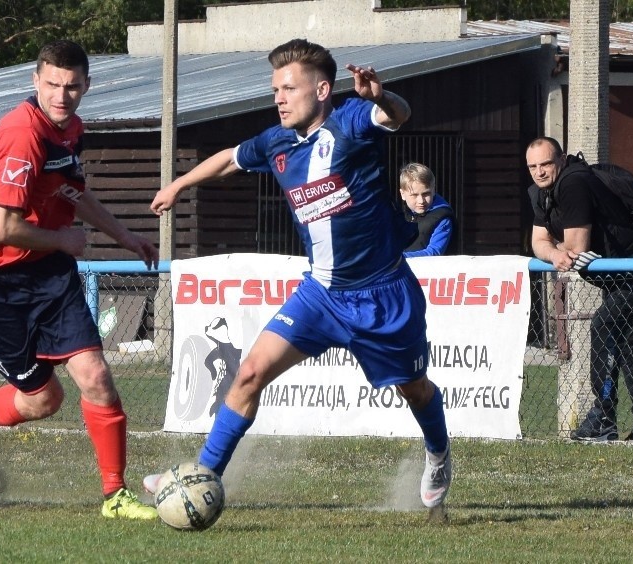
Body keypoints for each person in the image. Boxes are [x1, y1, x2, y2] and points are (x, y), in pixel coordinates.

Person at [146, 38, 452, 509]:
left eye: (288, 88)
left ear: (323, 89)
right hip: (321, 295)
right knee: (249, 373)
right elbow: (230, 158)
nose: (279, 98)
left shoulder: (351, 120)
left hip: (383, 294)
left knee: (415, 390)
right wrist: (181, 184)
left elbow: (399, 115)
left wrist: (381, 96)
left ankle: (437, 452)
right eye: (275, 90)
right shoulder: (276, 142)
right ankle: (202, 476)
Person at [0, 40, 159, 519]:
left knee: (96, 376)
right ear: (35, 81)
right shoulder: (23, 135)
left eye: (73, 86)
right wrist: (62, 239)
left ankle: (115, 497)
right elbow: (2, 228)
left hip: (46, 273)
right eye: (53, 84)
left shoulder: (70, 130)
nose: (62, 95)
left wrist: (126, 236)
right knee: (43, 400)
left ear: (86, 86)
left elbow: (72, 194)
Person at [526, 136, 633, 442]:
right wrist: (553, 253)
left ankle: (603, 417)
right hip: (618, 277)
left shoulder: (573, 182)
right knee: (632, 347)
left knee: (604, 326)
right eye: (533, 166)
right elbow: (538, 242)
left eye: (546, 164)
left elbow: (577, 248)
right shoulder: (543, 192)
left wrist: (559, 246)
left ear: (561, 160)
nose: (539, 172)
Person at [399, 162, 455, 257]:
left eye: (426, 194)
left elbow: (434, 252)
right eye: (414, 195)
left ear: (433, 190)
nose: (421, 201)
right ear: (402, 194)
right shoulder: (400, 214)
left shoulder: (442, 218)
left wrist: (398, 258)